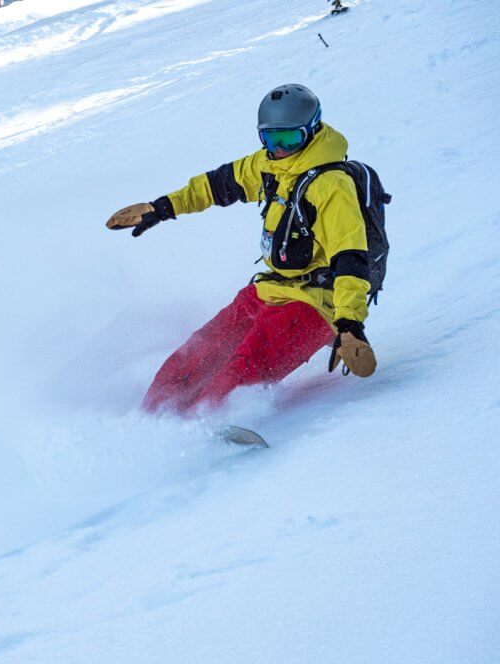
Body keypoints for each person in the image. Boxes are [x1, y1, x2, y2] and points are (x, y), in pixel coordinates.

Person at [106, 83, 377, 415]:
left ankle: (200, 431)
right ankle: (147, 419)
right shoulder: (268, 166)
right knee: (189, 360)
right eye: (270, 139)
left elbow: (350, 258)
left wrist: (350, 325)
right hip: (268, 290)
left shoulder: (332, 185)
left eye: (289, 139)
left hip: (315, 305)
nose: (278, 149)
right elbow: (215, 185)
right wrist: (159, 208)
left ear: (312, 131)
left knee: (240, 370)